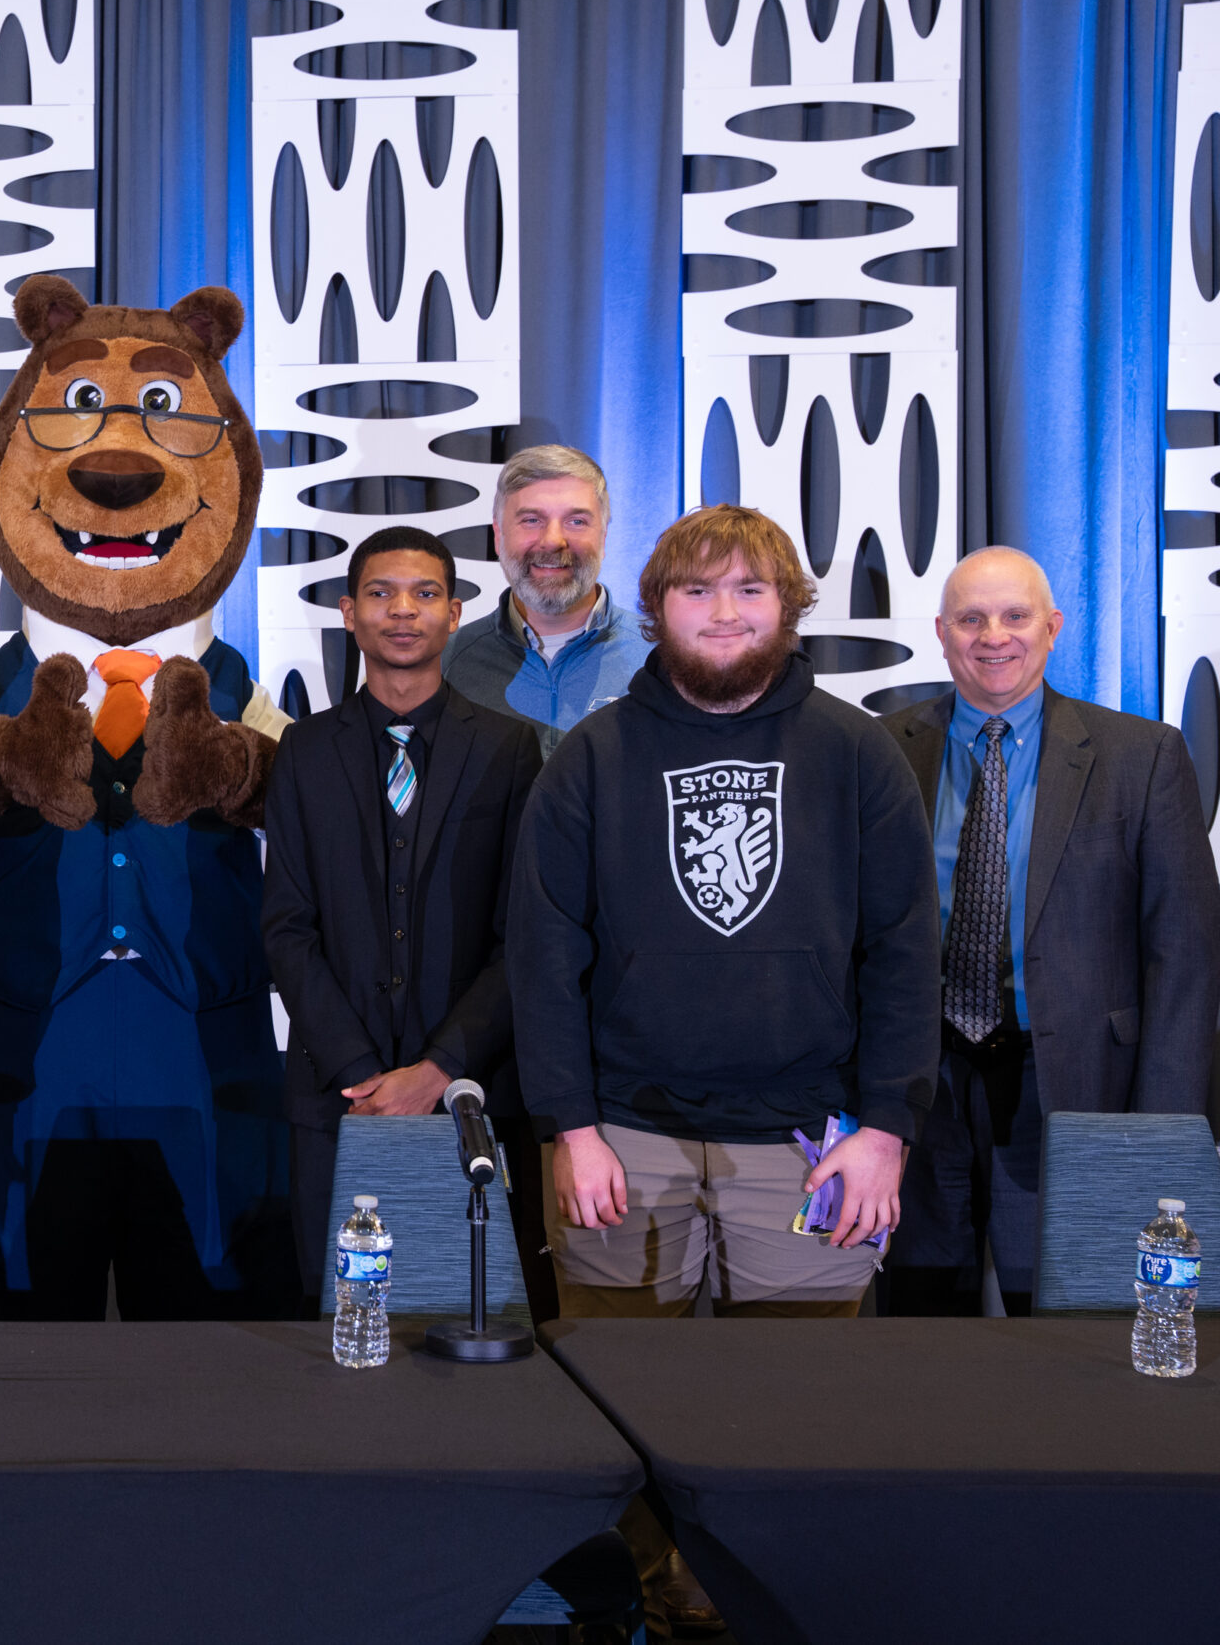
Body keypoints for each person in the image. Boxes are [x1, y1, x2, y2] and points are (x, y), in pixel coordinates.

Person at [510, 503, 939, 1316]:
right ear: (657, 605)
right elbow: (543, 961)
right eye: (698, 590)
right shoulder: (590, 758)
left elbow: (906, 955)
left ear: (788, 604)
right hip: (621, 1137)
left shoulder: (858, 752)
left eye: (750, 589)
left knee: (796, 1391)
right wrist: (570, 1128)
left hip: (809, 1141)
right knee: (616, 1380)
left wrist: (888, 1130)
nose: (725, 613)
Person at [879, 546, 1220, 1316]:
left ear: (1053, 627)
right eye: (971, 618)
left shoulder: (1142, 756)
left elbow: (1186, 961)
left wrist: (1163, 1136)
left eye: (1015, 616)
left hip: (1073, 1086)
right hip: (921, 1091)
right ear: (941, 631)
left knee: (1070, 1324)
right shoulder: (884, 750)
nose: (993, 636)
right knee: (917, 1325)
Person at [263, 525, 542, 1308]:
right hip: (336, 1096)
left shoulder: (508, 749)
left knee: (468, 1313)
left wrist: (439, 1068)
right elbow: (287, 926)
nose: (402, 611)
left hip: (469, 1094)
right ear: (349, 613)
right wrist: (360, 1070)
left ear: (454, 614)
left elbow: (523, 935)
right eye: (380, 593)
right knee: (345, 1324)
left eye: (425, 594)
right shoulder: (302, 750)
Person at [440, 444, 650, 756]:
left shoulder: (660, 655)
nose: (552, 540)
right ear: (498, 535)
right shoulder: (446, 661)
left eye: (576, 521)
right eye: (531, 520)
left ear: (604, 537)